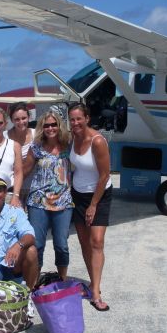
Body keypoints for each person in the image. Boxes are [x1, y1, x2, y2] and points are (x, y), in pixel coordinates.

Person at [68, 102, 112, 312]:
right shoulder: (73, 137)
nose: (75, 123)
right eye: (72, 119)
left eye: (79, 118)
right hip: (78, 194)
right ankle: (93, 284)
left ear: (87, 118)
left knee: (97, 241)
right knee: (85, 243)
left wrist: (93, 205)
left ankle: (96, 292)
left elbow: (105, 175)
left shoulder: (98, 141)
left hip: (99, 195)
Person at [23, 110, 74, 280]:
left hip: (64, 201)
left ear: (59, 126)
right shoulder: (36, 147)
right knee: (37, 245)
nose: (50, 128)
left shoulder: (68, 144)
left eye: (54, 124)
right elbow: (24, 170)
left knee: (61, 245)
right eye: (46, 125)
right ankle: (34, 281)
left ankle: (62, 280)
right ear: (42, 128)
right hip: (38, 202)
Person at [6, 102, 35, 205]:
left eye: (24, 118)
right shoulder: (4, 137)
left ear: (29, 117)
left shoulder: (36, 135)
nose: (21, 122)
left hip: (33, 189)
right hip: (10, 191)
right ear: (11, 120)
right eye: (17, 119)